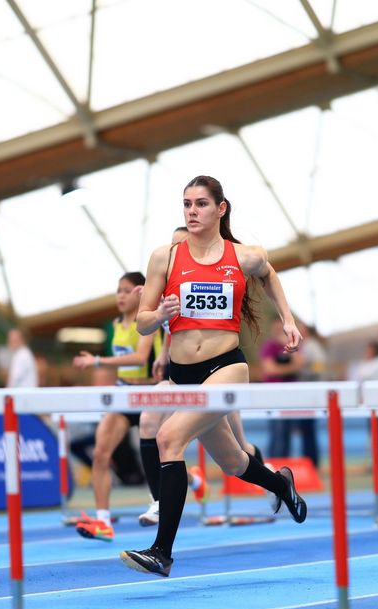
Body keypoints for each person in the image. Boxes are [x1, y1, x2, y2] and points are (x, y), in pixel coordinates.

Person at [119, 175, 307, 577]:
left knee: (168, 437)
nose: (192, 211)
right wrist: (160, 314)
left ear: (221, 209)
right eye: (187, 204)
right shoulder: (164, 258)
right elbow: (142, 323)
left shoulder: (243, 256)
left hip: (226, 368)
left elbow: (269, 274)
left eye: (201, 204)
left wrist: (288, 320)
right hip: (183, 375)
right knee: (233, 462)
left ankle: (162, 552)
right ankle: (281, 484)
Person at [135, 226, 266, 527]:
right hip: (183, 374)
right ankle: (161, 500)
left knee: (238, 451)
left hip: (221, 371)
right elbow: (164, 326)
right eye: (173, 246)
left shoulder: (214, 270)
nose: (176, 251)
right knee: (153, 422)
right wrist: (162, 348)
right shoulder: (165, 273)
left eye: (181, 245)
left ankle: (273, 481)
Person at [70, 271, 162, 542]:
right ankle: (103, 521)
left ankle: (192, 480)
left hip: (151, 394)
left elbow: (140, 357)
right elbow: (124, 365)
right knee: (100, 453)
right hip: (123, 394)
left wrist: (98, 361)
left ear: (141, 292)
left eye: (126, 290)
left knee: (167, 457)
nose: (120, 296)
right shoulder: (116, 324)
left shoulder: (150, 320)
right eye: (118, 290)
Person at [261, 318, 318, 467]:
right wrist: (291, 368)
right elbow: (270, 369)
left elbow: (300, 364)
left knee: (289, 432)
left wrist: (288, 346)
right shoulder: (269, 347)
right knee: (277, 431)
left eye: (282, 330)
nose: (279, 332)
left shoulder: (293, 346)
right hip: (274, 395)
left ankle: (286, 467)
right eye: (276, 329)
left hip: (292, 396)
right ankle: (274, 466)